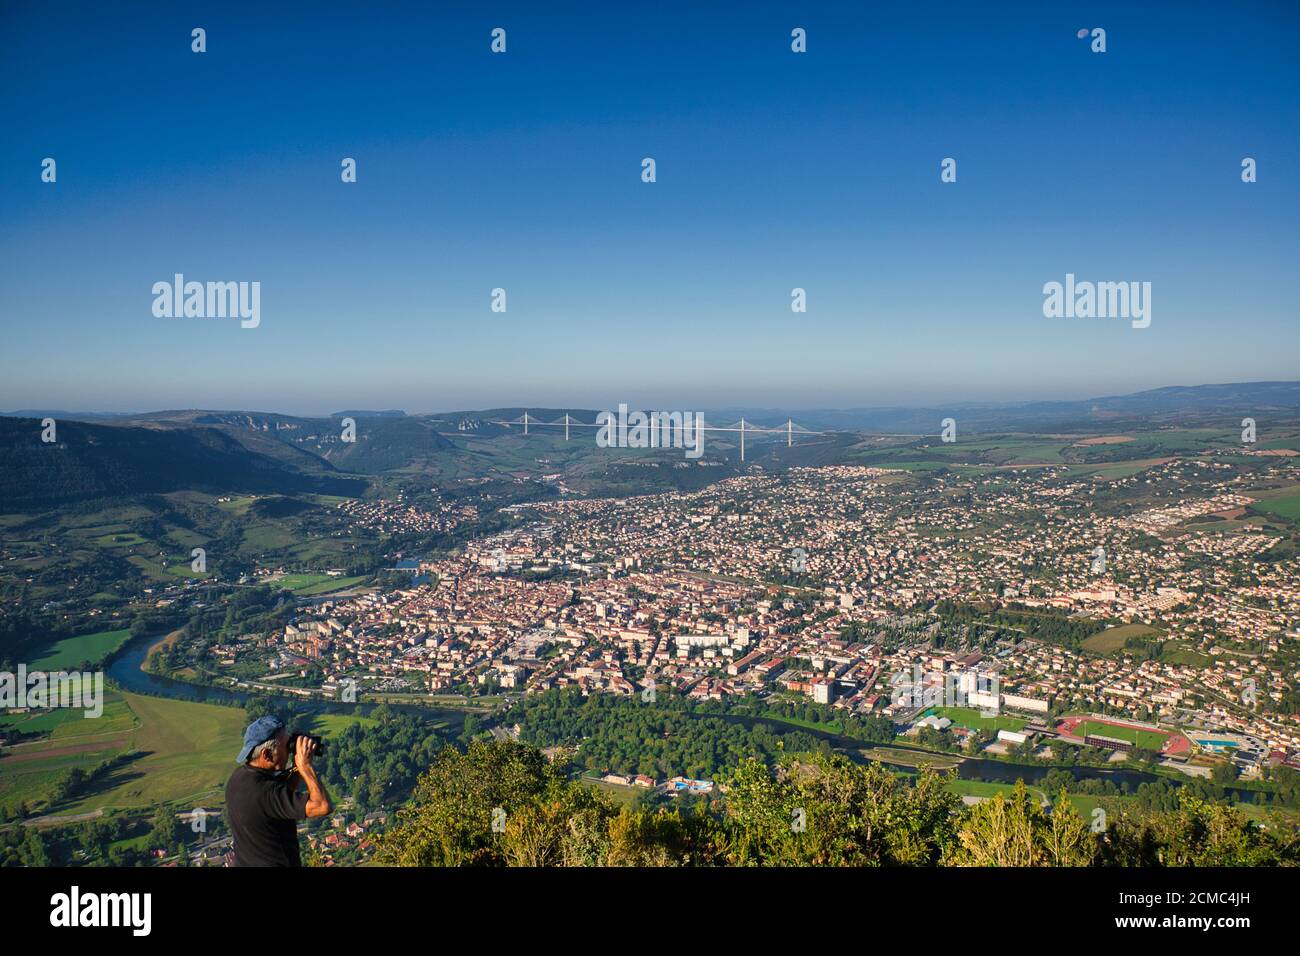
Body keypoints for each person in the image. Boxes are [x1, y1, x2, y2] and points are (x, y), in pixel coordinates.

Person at [225, 715, 332, 866]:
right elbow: (322, 806)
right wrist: (305, 766)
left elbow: (282, 793)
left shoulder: (238, 779)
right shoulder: (265, 792)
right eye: (287, 746)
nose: (289, 751)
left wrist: (296, 764)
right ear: (267, 755)